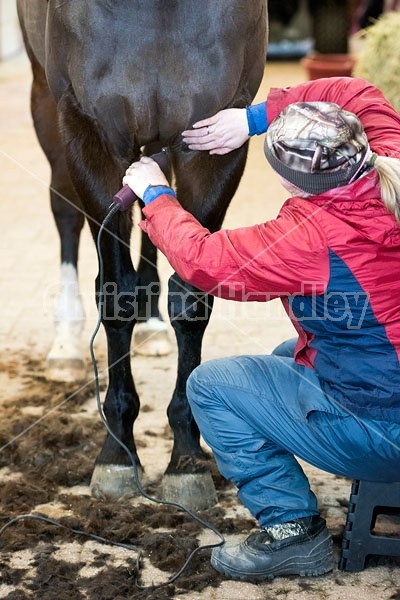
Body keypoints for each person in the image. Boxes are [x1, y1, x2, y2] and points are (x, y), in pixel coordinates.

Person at [122, 76, 400, 582]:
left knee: (212, 387)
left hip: (388, 430)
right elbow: (358, 92)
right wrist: (249, 120)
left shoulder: (309, 236)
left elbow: (202, 261)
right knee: (284, 353)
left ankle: (293, 533)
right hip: (389, 386)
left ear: (291, 182)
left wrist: (157, 196)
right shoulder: (389, 158)